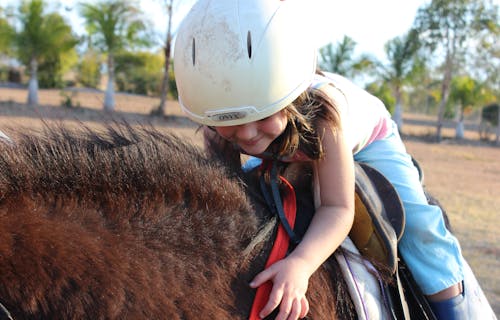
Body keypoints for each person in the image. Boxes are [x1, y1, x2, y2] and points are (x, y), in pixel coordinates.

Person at [173, 1, 491, 319]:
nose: (248, 134)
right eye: (231, 123)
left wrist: (301, 265)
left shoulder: (327, 117)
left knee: (421, 228)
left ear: (290, 97)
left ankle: (457, 309)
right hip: (287, 148)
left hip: (367, 140)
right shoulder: (217, 121)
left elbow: (337, 209)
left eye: (264, 115)